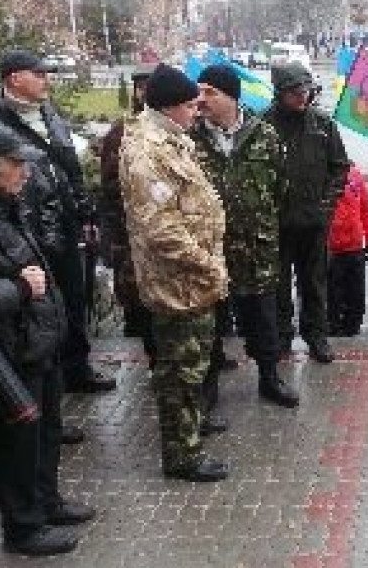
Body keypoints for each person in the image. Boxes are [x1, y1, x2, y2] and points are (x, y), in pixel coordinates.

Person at [119, 64, 230, 482]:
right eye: (190, 106)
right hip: (177, 281)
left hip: (192, 280)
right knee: (179, 371)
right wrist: (207, 263)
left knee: (193, 365)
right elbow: (160, 229)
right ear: (169, 109)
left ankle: (191, 430)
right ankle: (183, 456)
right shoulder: (147, 151)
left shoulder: (171, 139)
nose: (197, 113)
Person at [0, 126, 95, 557]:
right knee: (18, 439)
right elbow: (17, 283)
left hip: (39, 340)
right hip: (10, 348)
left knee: (47, 430)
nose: (24, 173)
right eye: (14, 164)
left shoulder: (11, 207)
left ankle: (46, 501)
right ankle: (23, 526)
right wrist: (18, 289)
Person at [0, 49, 116, 395]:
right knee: (39, 308)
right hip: (27, 234)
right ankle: (48, 390)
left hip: (65, 225)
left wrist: (85, 211)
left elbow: (69, 169)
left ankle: (77, 370)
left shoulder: (49, 113)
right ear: (14, 78)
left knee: (74, 301)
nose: (47, 80)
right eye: (39, 73)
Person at [190, 64, 299, 409]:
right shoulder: (189, 139)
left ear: (232, 97)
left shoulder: (264, 136)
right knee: (208, 323)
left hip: (256, 248)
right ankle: (207, 391)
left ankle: (269, 378)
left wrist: (260, 222)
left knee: (263, 320)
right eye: (199, 91)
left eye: (211, 92)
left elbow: (281, 188)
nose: (201, 99)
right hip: (209, 250)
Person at [266, 63, 350, 363]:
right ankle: (282, 337)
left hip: (314, 223)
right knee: (277, 285)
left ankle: (316, 337)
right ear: (280, 93)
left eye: (306, 91)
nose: (302, 97)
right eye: (295, 93)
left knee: (313, 283)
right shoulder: (264, 126)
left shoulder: (323, 124)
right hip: (276, 223)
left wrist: (326, 207)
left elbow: (339, 168)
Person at [99, 64, 157, 368]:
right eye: (141, 86)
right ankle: (154, 358)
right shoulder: (122, 132)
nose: (145, 92)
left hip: (168, 235)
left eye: (151, 86)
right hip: (133, 235)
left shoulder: (180, 127)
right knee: (140, 301)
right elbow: (110, 189)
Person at [327, 163, 368, 337]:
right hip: (330, 247)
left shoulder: (355, 175)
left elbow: (366, 209)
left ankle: (352, 326)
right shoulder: (320, 173)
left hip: (354, 246)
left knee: (356, 293)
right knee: (332, 293)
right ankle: (332, 326)